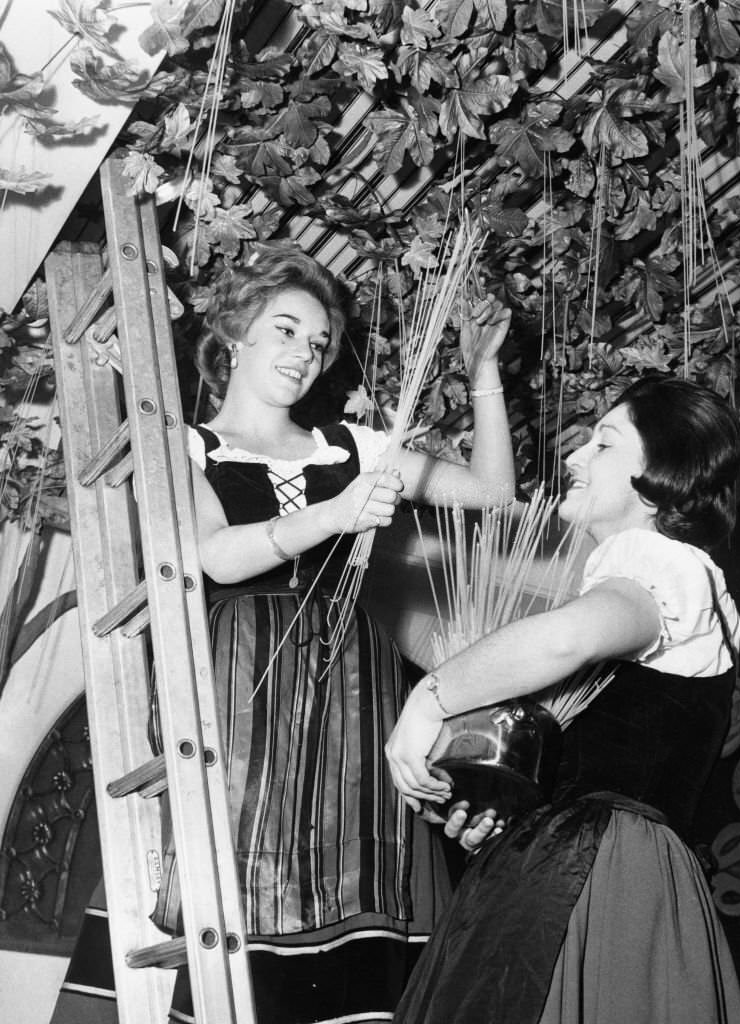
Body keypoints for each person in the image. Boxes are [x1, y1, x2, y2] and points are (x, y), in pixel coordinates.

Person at [141, 249, 516, 1023]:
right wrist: (333, 516)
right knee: (245, 901)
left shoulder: (352, 447)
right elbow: (215, 553)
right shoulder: (187, 448)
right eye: (285, 330)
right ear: (235, 333)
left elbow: (493, 493)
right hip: (246, 685)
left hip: (353, 681)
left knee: (358, 897)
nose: (303, 355)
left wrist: (484, 373)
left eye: (317, 343)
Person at [385, 375, 740, 1024]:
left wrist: (429, 699)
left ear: (660, 469)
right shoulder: (649, 578)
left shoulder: (663, 559)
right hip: (575, 865)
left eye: (604, 444)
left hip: (607, 873)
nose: (576, 457)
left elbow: (567, 638)